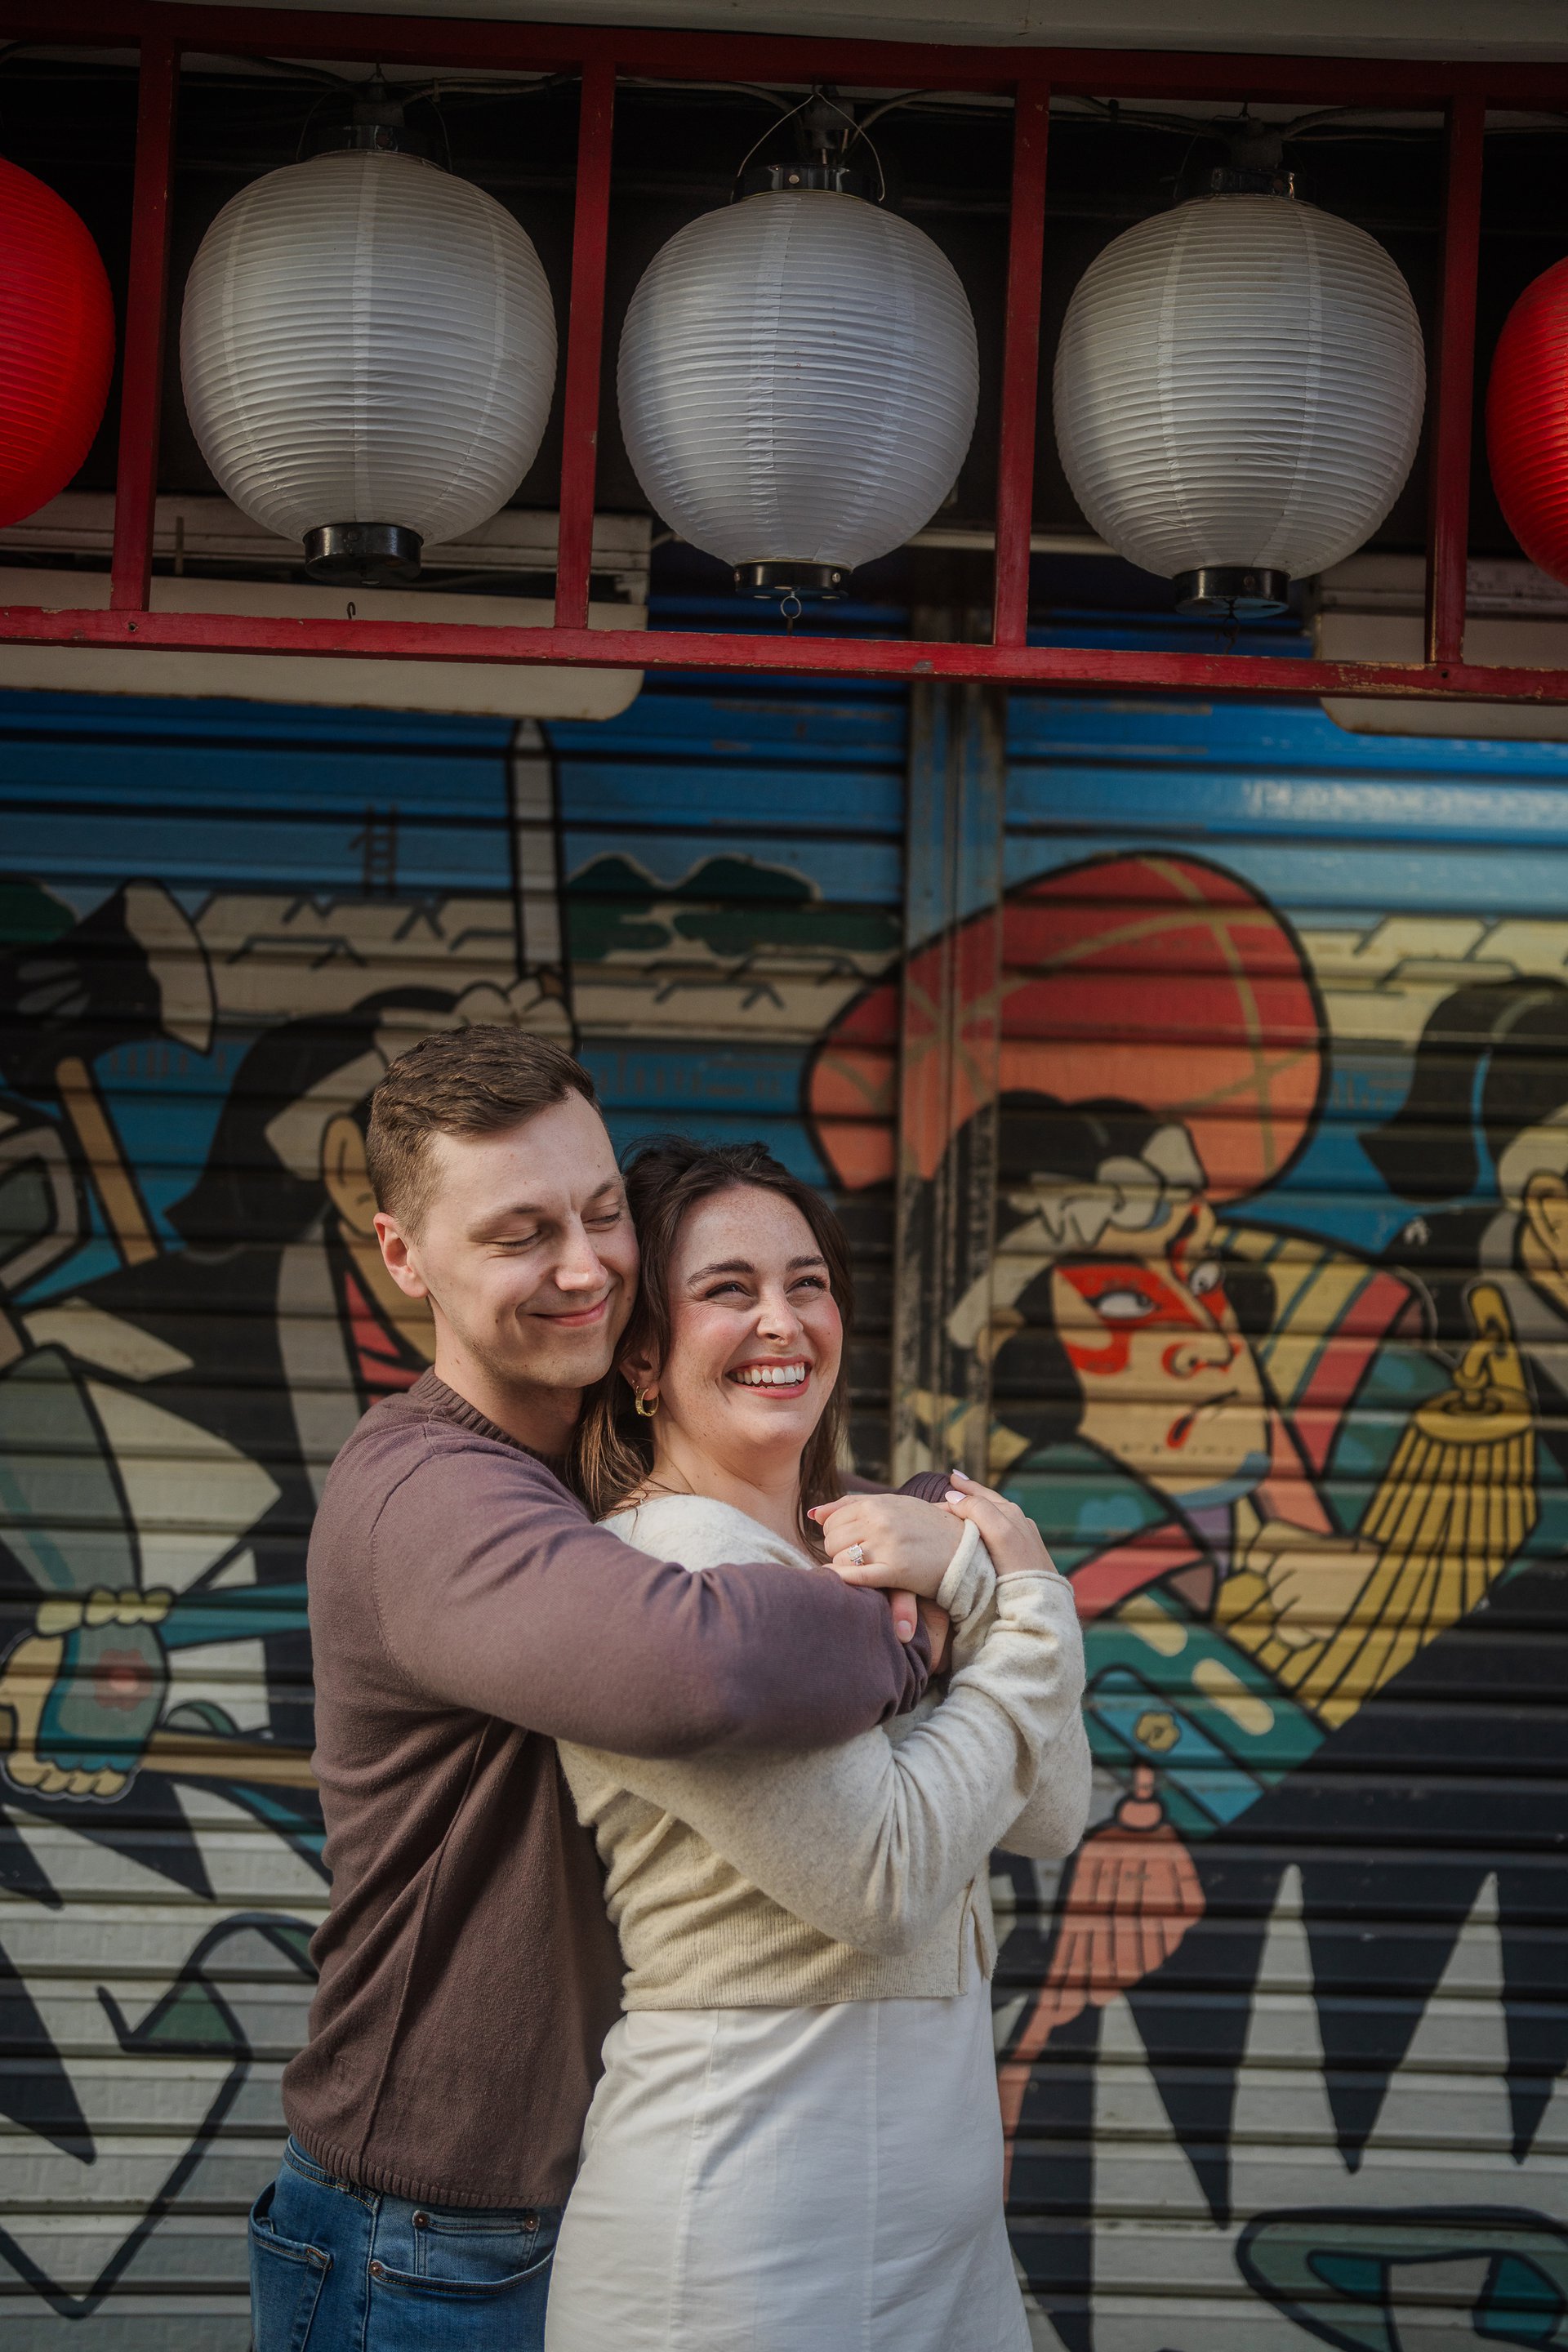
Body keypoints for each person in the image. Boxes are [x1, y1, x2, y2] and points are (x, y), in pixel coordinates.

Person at [248, 1027, 967, 2352]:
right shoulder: (427, 1495)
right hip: (427, 2236)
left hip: (589, 2197)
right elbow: (706, 1662)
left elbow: (816, 1532)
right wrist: (922, 1623)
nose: (585, 1268)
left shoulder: (597, 1465)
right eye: (521, 1235)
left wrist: (929, 1524)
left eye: (599, 1214)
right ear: (404, 1255)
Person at [543, 1137, 1090, 2352]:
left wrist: (977, 1586)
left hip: (944, 2248)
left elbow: (1051, 1812)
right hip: (744, 2248)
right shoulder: (671, 1578)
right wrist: (1018, 1585)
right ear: (642, 1356)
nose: (782, 1322)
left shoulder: (848, 1554)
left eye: (808, 1284)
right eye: (726, 1289)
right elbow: (888, 1879)